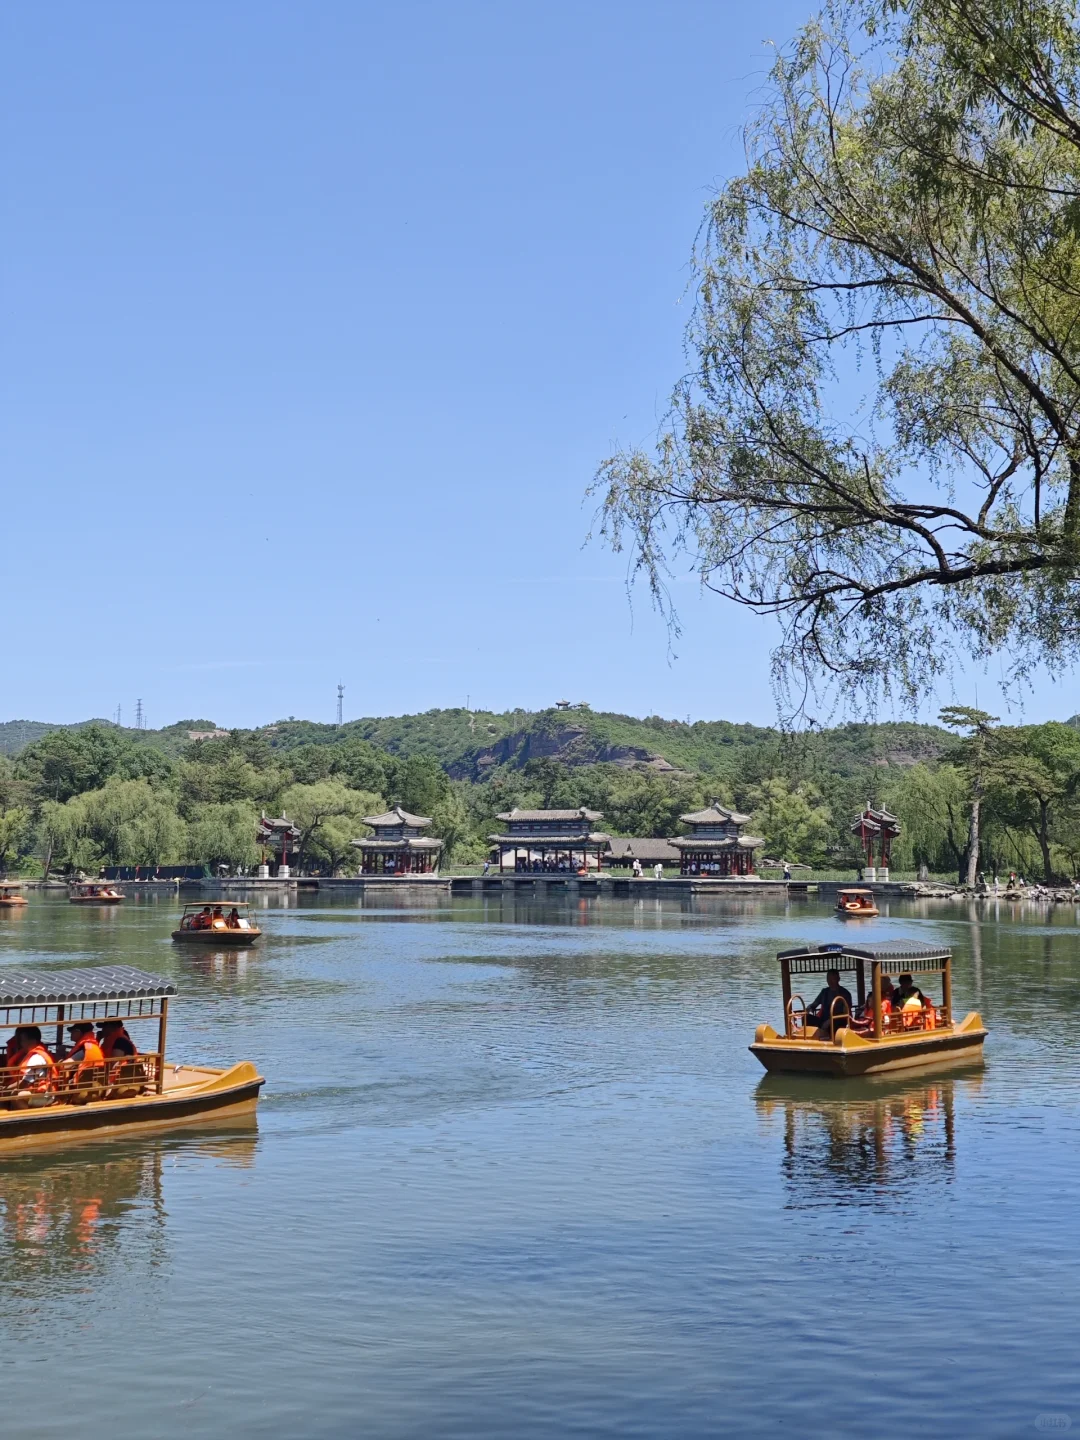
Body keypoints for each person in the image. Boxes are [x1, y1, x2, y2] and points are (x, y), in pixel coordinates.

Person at [806, 969, 853, 1037]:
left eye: (832, 979)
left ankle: (828, 1037)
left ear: (838, 979)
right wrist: (808, 1009)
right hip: (823, 1020)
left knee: (835, 1023)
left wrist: (830, 1021)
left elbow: (845, 1013)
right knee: (806, 1018)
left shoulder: (845, 993)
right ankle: (809, 1037)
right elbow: (814, 1005)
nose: (830, 981)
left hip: (838, 1021)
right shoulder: (824, 992)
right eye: (828, 979)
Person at [63, 1022, 105, 1087]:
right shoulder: (93, 1046)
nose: (71, 1034)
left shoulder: (84, 1049)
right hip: (97, 1084)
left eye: (72, 1031)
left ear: (78, 1032)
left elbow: (65, 1066)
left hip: (83, 1085)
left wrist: (57, 1062)